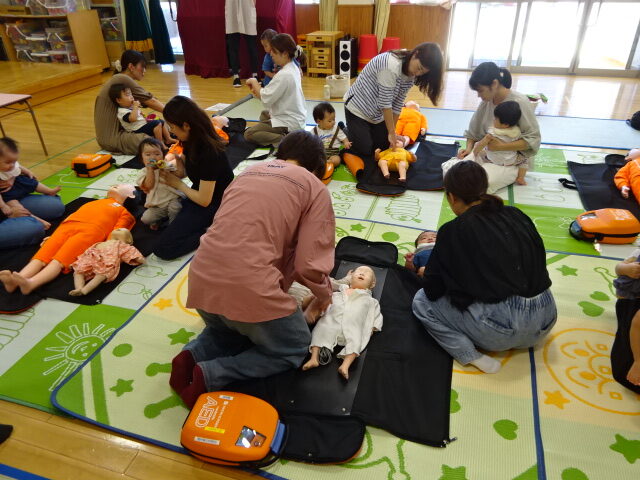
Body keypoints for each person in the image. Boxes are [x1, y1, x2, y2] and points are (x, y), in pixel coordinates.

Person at [168, 130, 334, 408]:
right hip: (248, 289)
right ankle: (212, 374)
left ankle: (190, 357)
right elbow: (309, 264)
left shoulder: (247, 172)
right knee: (293, 347)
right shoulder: (314, 187)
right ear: (318, 168)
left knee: (227, 331)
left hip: (201, 281)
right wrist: (325, 295)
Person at [412, 161, 556, 374]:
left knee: (421, 301)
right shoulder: (517, 214)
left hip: (501, 331)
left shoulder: (453, 230)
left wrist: (425, 270)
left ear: (452, 197)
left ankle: (470, 355)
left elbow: (433, 289)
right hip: (545, 321)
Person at [0, 185, 136, 295]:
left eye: (120, 186)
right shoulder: (94, 202)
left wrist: (107, 247)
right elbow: (74, 214)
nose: (115, 185)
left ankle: (32, 283)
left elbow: (118, 233)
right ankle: (17, 280)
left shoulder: (124, 212)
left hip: (90, 232)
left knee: (59, 260)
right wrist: (53, 235)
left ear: (130, 196)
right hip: (68, 225)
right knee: (41, 256)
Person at [151, 96, 233, 260]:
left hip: (216, 202)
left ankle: (214, 231)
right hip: (199, 194)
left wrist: (178, 184)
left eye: (172, 127)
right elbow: (190, 171)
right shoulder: (190, 140)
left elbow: (204, 200)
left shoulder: (209, 152)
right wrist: (177, 169)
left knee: (163, 248)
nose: (171, 131)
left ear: (186, 125)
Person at [343, 42, 443, 176]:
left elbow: (397, 103)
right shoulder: (390, 65)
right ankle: (346, 130)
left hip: (376, 114)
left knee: (384, 146)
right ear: (415, 54)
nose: (417, 73)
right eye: (419, 68)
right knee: (365, 149)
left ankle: (363, 131)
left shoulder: (411, 73)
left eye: (422, 72)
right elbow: (385, 103)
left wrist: (393, 132)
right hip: (357, 108)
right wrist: (390, 132)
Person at [456, 62, 541, 193]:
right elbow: (474, 132)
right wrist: (468, 149)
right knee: (454, 172)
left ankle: (514, 174)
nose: (479, 95)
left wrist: (501, 146)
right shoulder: (486, 102)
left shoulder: (519, 102)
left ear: (494, 84)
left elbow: (533, 139)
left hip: (511, 160)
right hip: (487, 154)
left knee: (480, 184)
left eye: (480, 90)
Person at [302, 266, 382, 380]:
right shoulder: (337, 294)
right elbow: (326, 305)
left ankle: (345, 366)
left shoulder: (371, 301)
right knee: (320, 329)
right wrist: (319, 312)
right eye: (359, 271)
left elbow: (376, 315)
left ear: (372, 284)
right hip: (332, 320)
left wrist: (373, 327)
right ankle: (314, 358)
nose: (362, 273)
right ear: (351, 278)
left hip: (353, 326)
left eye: (367, 273)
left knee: (357, 341)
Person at [95, 50, 165, 155]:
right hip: (112, 139)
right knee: (151, 141)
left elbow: (149, 99)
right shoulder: (122, 78)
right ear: (131, 67)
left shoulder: (120, 78)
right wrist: (175, 115)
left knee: (159, 127)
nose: (144, 70)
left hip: (114, 135)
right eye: (142, 66)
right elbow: (151, 101)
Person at [245, 33, 306, 147]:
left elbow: (265, 97)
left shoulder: (284, 74)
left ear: (285, 53)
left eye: (274, 51)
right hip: (296, 118)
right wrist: (258, 90)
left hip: (289, 122)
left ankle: (286, 140)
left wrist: (254, 82)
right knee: (264, 114)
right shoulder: (293, 67)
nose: (271, 54)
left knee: (249, 134)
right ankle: (283, 135)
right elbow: (269, 94)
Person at [0, 137, 61, 230]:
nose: (12, 165)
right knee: (17, 207)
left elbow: (19, 167)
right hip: (7, 194)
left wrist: (28, 172)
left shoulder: (11, 163)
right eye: (8, 162)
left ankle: (49, 191)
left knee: (33, 183)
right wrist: (3, 206)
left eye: (14, 161)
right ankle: (38, 220)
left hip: (18, 183)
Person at [469, 100, 527, 191]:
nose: (493, 120)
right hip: (511, 161)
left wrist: (475, 152)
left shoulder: (492, 133)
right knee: (525, 160)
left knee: (480, 150)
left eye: (496, 119)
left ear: (505, 124)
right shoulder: (517, 133)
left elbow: (480, 146)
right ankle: (521, 177)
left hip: (493, 160)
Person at [69, 228, 145, 296]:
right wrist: (77, 262)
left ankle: (84, 290)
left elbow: (131, 253)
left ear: (128, 240)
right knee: (79, 272)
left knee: (100, 275)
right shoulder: (99, 243)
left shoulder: (121, 245)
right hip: (92, 260)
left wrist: (140, 259)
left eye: (122, 230)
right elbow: (87, 252)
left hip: (104, 263)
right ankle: (79, 288)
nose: (119, 229)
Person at [136, 138, 183, 230]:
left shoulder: (166, 166)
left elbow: (179, 175)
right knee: (146, 219)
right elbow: (149, 185)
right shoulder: (143, 173)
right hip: (157, 205)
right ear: (142, 158)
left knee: (175, 208)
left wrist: (178, 160)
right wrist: (150, 170)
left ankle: (172, 226)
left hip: (172, 199)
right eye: (148, 154)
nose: (153, 157)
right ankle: (159, 220)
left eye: (157, 154)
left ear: (163, 156)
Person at [109, 84, 174, 146]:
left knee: (161, 121)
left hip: (142, 125)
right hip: (136, 130)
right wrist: (135, 107)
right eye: (127, 95)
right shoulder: (122, 112)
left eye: (131, 94)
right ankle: (160, 144)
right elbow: (133, 119)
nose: (131, 97)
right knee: (157, 123)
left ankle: (168, 139)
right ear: (119, 100)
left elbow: (138, 116)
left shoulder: (130, 107)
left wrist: (142, 115)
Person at [225, 0, 259, 87]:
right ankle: (236, 75)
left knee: (252, 46)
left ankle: (255, 74)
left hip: (247, 8)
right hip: (232, 9)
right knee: (233, 47)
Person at [312, 102, 351, 168]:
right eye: (330, 121)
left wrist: (346, 142)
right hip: (320, 154)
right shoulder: (314, 131)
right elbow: (309, 142)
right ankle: (323, 163)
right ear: (319, 121)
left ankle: (328, 163)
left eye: (334, 119)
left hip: (333, 154)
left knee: (337, 160)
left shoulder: (336, 129)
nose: (333, 122)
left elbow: (343, 137)